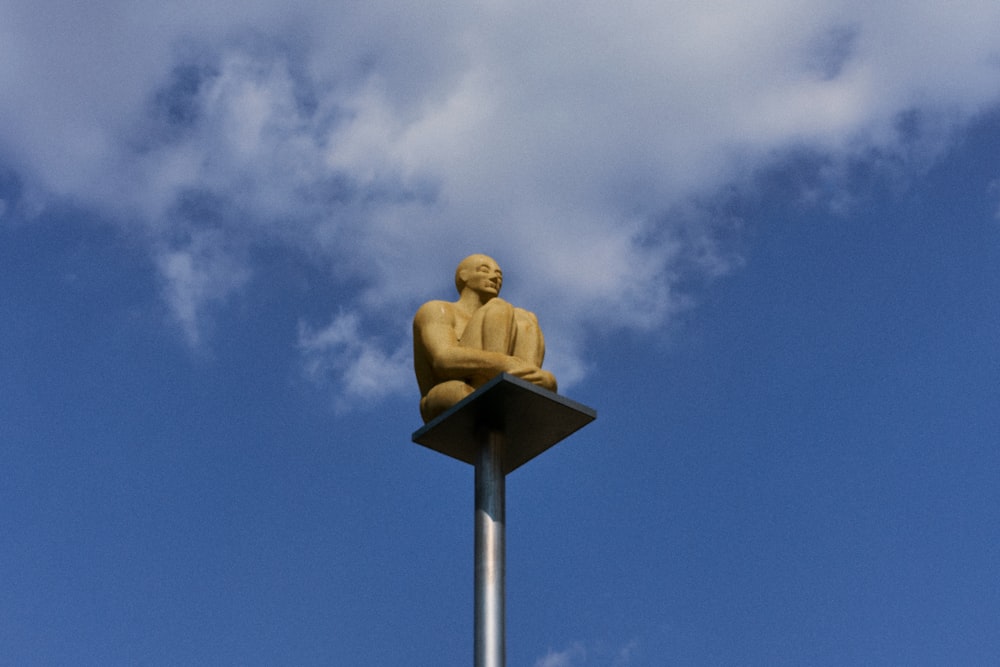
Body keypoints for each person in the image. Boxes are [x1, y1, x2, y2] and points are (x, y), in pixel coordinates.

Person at [413, 254, 557, 422]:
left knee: (525, 316)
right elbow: (443, 359)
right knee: (498, 306)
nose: (495, 277)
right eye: (484, 270)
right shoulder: (437, 309)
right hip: (446, 391)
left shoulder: (508, 317)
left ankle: (524, 387)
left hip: (496, 386)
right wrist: (503, 363)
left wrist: (534, 375)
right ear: (463, 276)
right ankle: (494, 386)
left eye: (499, 275)